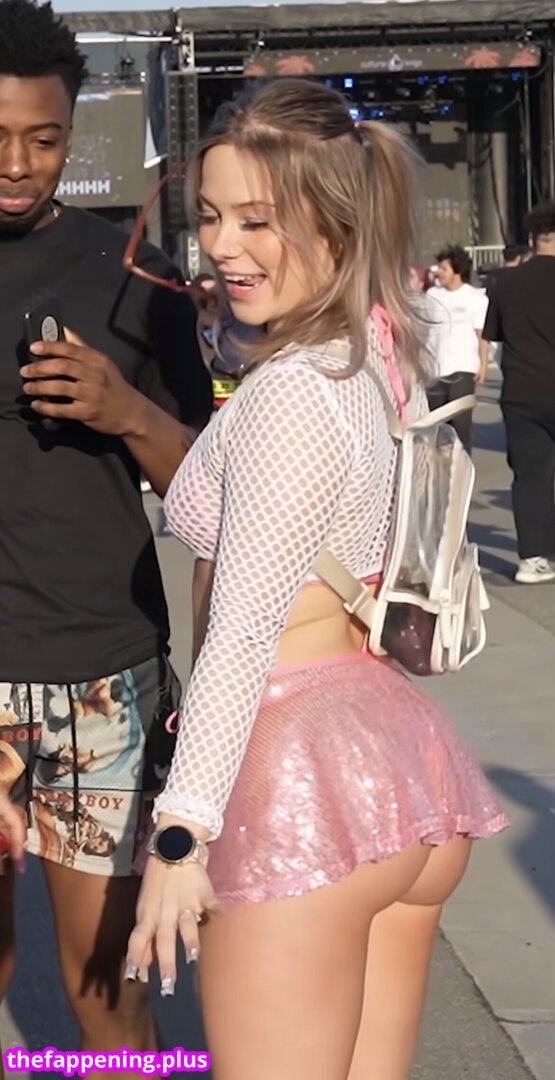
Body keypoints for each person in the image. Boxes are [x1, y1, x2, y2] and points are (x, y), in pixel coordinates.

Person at [126, 79, 508, 1080]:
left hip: (299, 779)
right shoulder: (368, 350)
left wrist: (179, 835)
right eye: (211, 216)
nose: (223, 246)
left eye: (258, 220)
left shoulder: (294, 393)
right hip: (391, 759)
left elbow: (243, 631)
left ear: (337, 222)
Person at [0, 0, 212, 1059]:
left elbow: (213, 492)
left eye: (44, 139)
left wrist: (125, 411)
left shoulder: (136, 272)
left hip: (103, 680)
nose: (19, 165)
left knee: (106, 997)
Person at [483, 203, 555, 585]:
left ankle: (532, 559)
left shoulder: (504, 283)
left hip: (522, 392)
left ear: (532, 239)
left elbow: (493, 334)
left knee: (530, 477)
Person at [426, 244, 490, 453]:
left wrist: (484, 364)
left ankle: (463, 467)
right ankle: (438, 468)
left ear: (457, 271)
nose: (439, 272)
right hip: (435, 370)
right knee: (436, 425)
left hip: (463, 368)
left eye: (444, 268)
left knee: (461, 425)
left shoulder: (475, 298)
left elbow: (482, 334)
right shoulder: (432, 294)